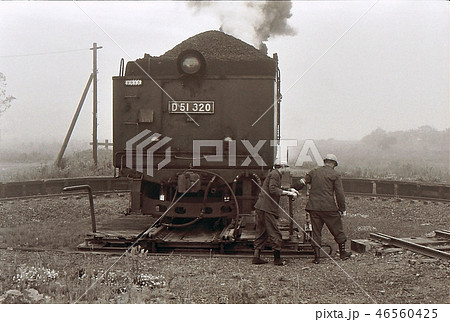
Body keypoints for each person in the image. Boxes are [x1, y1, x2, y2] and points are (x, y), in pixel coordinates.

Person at [293, 154, 352, 264]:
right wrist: (342, 208)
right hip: (329, 208)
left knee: (316, 232)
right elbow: (339, 194)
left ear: (325, 162)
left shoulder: (314, 171)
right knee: (337, 229)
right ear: (334, 164)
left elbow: (302, 182)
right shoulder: (335, 174)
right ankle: (343, 253)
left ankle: (317, 258)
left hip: (314, 207)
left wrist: (292, 188)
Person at [252, 160, 299, 266]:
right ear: (281, 167)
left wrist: (289, 189)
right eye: (286, 167)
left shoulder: (273, 173)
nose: (287, 169)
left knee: (261, 232)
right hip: (267, 208)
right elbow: (273, 189)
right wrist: (288, 193)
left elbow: (274, 187)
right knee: (274, 232)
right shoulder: (275, 174)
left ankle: (256, 257)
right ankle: (277, 259)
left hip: (261, 207)